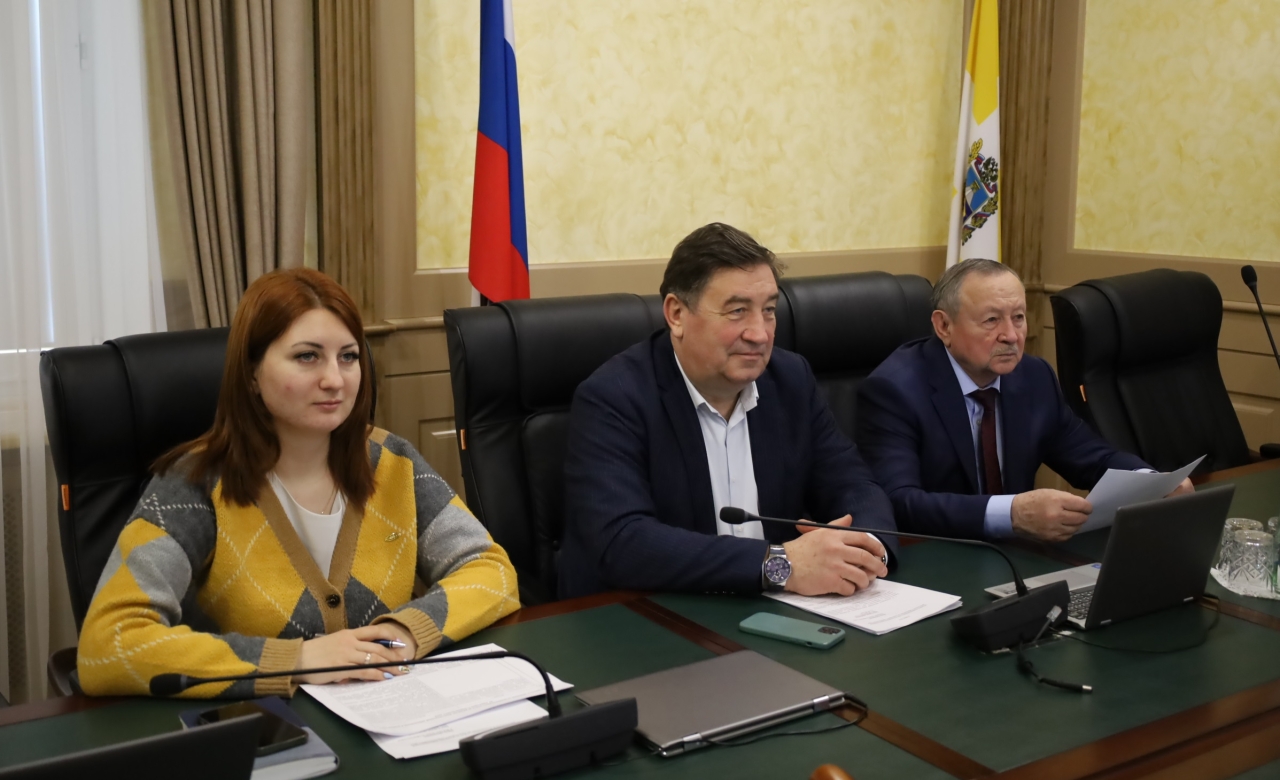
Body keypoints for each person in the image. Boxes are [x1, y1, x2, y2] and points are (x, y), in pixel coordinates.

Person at [78, 269, 519, 697]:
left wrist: (404, 632)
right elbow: (108, 644)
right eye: (307, 356)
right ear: (251, 372)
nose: (335, 380)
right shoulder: (193, 483)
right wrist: (298, 660)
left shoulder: (392, 461)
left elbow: (490, 570)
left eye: (348, 356)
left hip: (390, 714)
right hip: (265, 730)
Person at [559, 223, 897, 599]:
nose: (760, 334)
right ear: (676, 314)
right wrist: (780, 564)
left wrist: (866, 549)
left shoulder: (790, 379)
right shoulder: (614, 397)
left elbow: (853, 485)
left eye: (769, 311)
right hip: (654, 612)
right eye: (737, 311)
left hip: (778, 609)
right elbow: (622, 543)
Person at [855, 258, 1193, 542]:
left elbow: (1090, 456)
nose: (1011, 335)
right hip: (937, 558)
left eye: (1018, 317)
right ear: (944, 326)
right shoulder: (895, 390)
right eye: (991, 320)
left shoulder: (1033, 376)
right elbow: (899, 502)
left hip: (1019, 556)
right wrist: (1013, 513)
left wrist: (1151, 482)